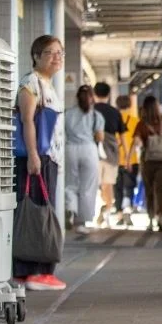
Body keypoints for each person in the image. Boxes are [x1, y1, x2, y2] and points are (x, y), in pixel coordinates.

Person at [11, 35, 67, 292]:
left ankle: (30, 270)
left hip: (47, 158)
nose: (56, 57)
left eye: (59, 52)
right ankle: (34, 271)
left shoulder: (46, 84)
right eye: (49, 52)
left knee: (38, 210)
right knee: (35, 212)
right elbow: (27, 121)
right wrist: (33, 155)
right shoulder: (31, 83)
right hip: (36, 158)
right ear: (35, 56)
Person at [130, 95, 162, 233]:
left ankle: (151, 219)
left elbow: (137, 142)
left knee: (149, 190)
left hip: (148, 161)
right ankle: (160, 217)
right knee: (161, 190)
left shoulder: (142, 124)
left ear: (144, 108)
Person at [63, 84, 105, 237]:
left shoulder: (67, 113)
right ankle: (81, 223)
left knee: (70, 184)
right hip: (88, 150)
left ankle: (71, 210)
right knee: (87, 188)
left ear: (77, 97)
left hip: (70, 150)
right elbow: (100, 137)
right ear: (92, 98)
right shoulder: (96, 116)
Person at [92, 82, 126, 227]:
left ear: (94, 94)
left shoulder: (90, 111)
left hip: (93, 152)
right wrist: (126, 157)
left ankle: (95, 212)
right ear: (108, 95)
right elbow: (123, 137)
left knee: (93, 185)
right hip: (111, 154)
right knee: (109, 185)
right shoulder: (115, 112)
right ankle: (106, 212)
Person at [115, 94, 138, 225]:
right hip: (132, 160)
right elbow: (137, 142)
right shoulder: (135, 121)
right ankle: (127, 211)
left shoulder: (114, 120)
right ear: (130, 105)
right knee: (129, 188)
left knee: (117, 188)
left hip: (117, 160)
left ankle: (119, 215)